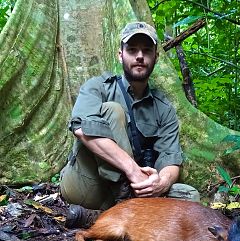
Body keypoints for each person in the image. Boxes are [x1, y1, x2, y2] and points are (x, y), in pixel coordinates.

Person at [60, 21, 199, 228]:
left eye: (146, 50)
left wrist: (160, 183)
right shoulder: (97, 87)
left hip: (137, 191)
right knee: (112, 111)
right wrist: (133, 172)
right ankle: (128, 210)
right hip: (87, 184)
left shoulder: (163, 107)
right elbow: (81, 129)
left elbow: (171, 159)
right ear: (120, 55)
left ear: (156, 57)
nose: (140, 56)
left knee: (190, 196)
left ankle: (102, 217)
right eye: (132, 50)